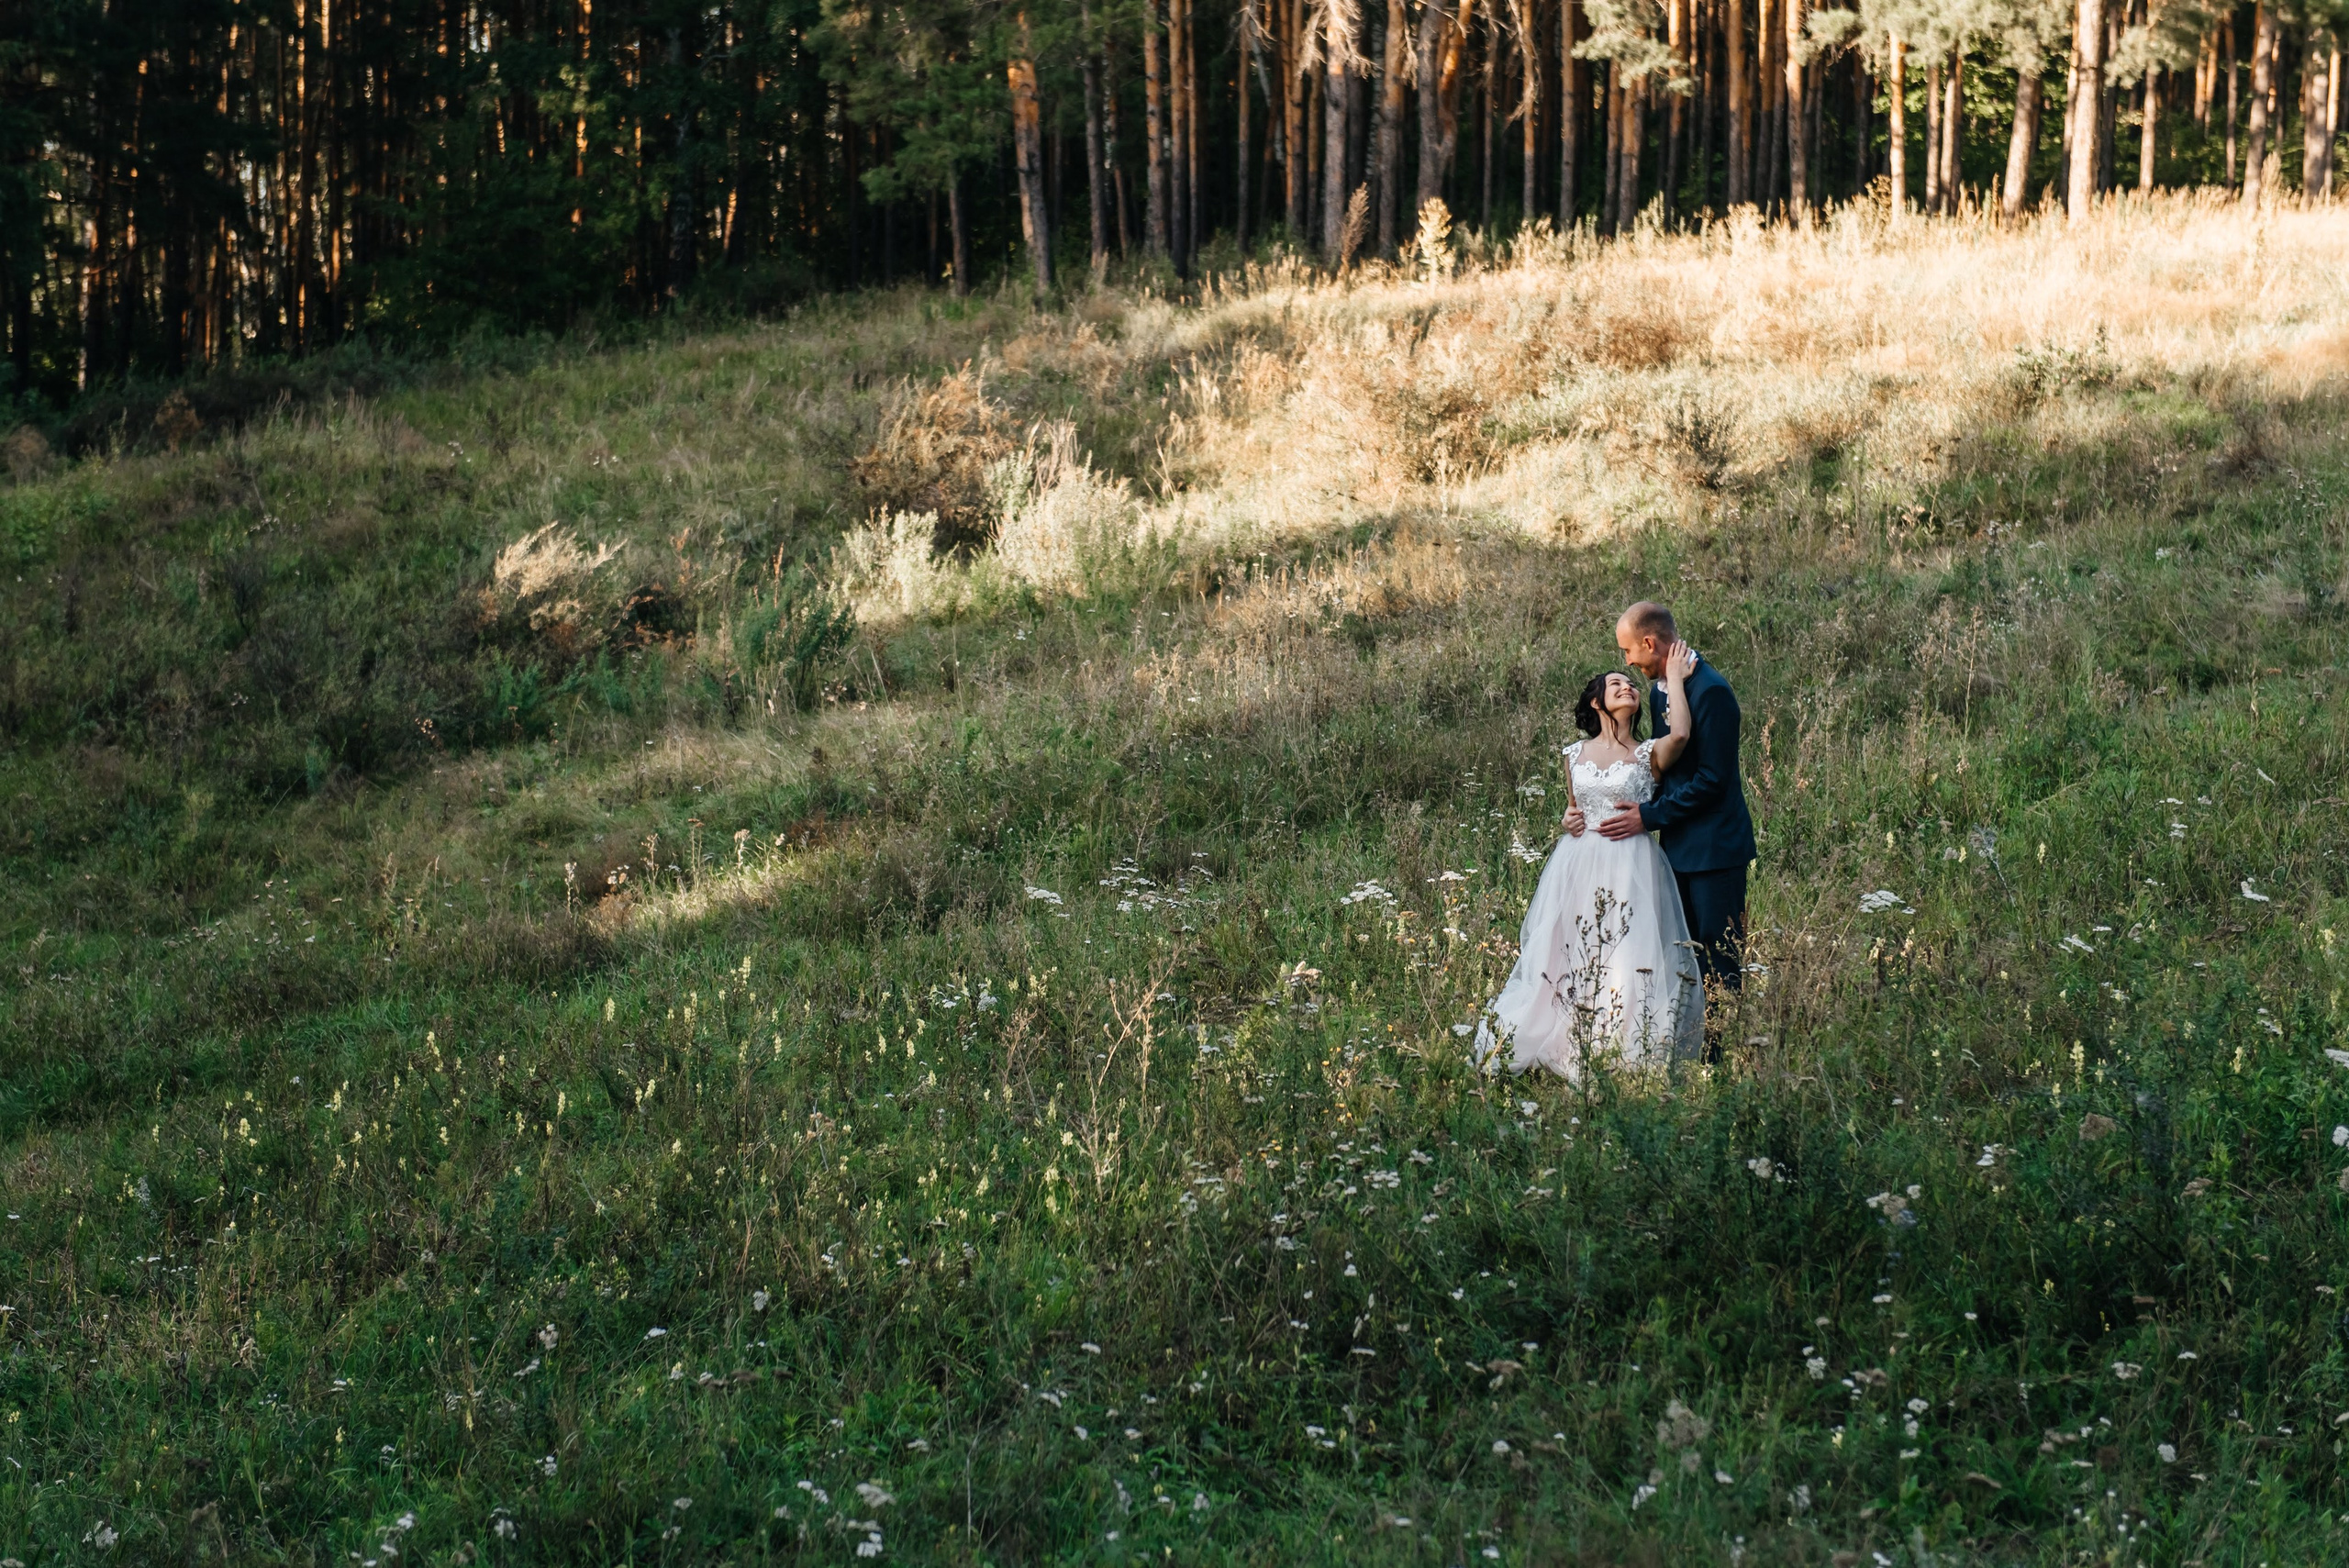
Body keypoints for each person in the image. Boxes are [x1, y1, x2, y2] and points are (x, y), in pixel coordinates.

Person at [1473, 642, 1705, 1077]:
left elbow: (1682, 736)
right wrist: (1567, 818)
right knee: (1567, 948)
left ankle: (1624, 1042)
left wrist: (1673, 676)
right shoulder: (1573, 755)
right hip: (1577, 862)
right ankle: (1563, 1031)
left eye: (1632, 685)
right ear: (1597, 702)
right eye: (1616, 684)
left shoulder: (1648, 752)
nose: (1628, 687)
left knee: (1630, 948)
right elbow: (1574, 809)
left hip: (1631, 863)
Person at [1591, 601, 1758, 1048]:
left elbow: (1711, 780)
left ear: (1650, 643)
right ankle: (1686, 1046)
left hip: (1715, 851)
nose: (1626, 661)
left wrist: (1649, 816)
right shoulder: (1665, 689)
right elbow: (1663, 768)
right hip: (1677, 849)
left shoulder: (1710, 692)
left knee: (1718, 955)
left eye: (1629, 651)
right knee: (1682, 953)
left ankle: (1720, 1055)